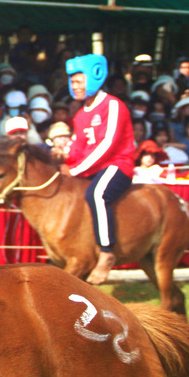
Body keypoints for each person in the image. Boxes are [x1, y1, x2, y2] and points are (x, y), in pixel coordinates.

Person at [60, 54, 136, 285]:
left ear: (94, 77)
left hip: (117, 164)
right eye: (72, 82)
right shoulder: (80, 114)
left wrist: (75, 169)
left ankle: (106, 252)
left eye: (79, 81)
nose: (75, 86)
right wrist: (64, 156)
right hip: (91, 169)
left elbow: (107, 144)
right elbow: (77, 145)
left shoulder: (113, 105)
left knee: (97, 194)